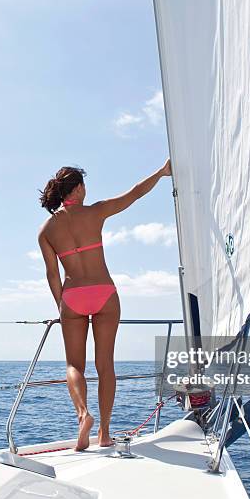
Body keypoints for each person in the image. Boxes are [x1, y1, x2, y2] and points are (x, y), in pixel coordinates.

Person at [38, 159, 172, 450]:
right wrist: (161, 172)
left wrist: (62, 305)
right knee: (105, 365)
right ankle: (104, 433)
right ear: (78, 188)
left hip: (72, 296)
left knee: (74, 364)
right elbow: (134, 193)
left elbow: (51, 274)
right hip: (104, 293)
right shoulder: (96, 212)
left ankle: (83, 415)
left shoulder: (46, 230)